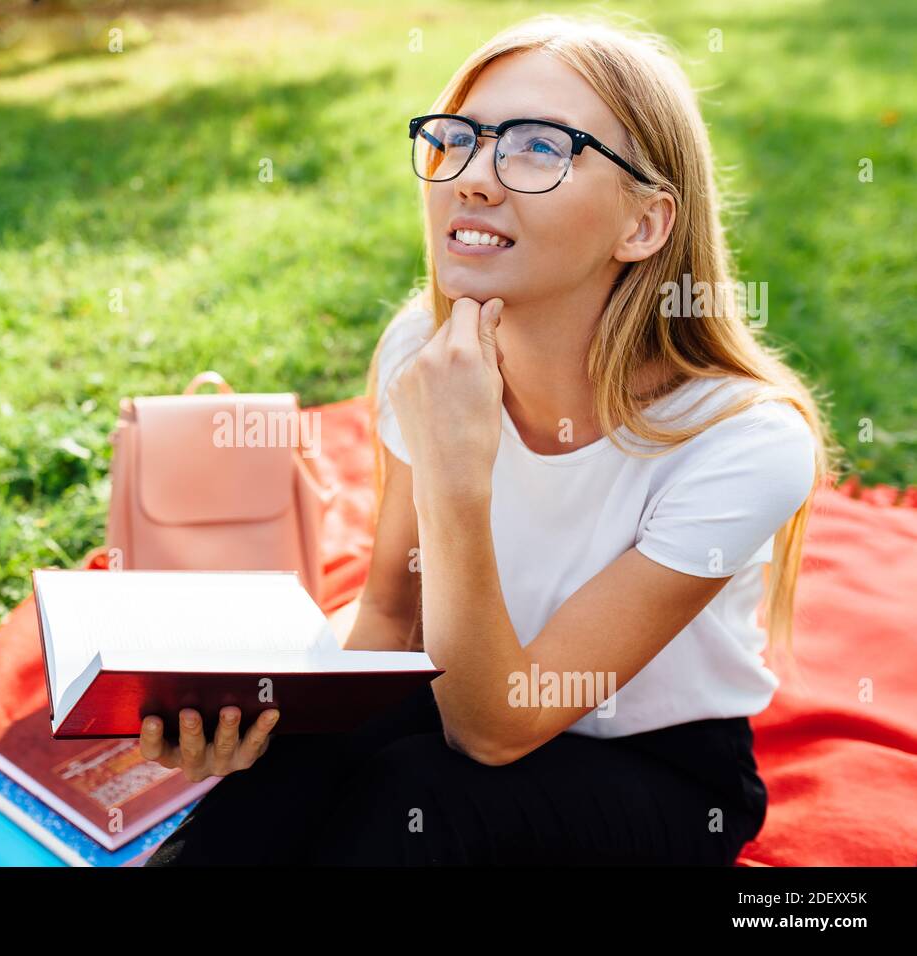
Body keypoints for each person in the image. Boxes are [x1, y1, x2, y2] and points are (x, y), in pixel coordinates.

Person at [140, 14, 838, 866]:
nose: (471, 177)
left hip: (661, 767)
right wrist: (262, 715)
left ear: (644, 225)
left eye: (540, 147)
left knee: (413, 803)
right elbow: (392, 614)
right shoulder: (424, 347)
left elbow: (495, 730)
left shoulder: (742, 441)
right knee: (283, 782)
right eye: (459, 139)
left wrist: (456, 472)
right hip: (461, 686)